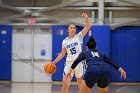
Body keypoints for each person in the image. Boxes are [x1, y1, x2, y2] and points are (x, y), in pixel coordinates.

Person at [52, 13, 90, 93]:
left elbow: (87, 26)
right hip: (69, 64)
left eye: (74, 28)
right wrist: (54, 62)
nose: (73, 29)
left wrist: (86, 18)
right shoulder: (65, 41)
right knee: (65, 85)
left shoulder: (79, 36)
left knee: (81, 88)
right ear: (68, 30)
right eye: (71, 28)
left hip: (79, 64)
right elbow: (62, 54)